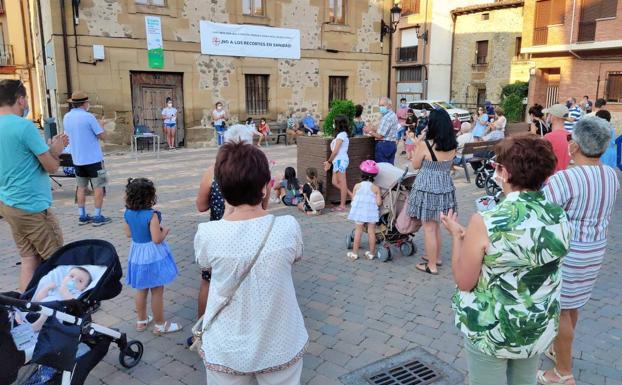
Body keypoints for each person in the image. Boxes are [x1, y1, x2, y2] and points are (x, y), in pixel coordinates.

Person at [441, 136, 571, 385]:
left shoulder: (487, 220)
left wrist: (458, 237)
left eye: (497, 166)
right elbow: (525, 251)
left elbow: (464, 280)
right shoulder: (558, 215)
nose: (495, 171)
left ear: (507, 172)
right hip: (535, 323)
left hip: (494, 328)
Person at [194, 142, 307, 384]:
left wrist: (228, 212)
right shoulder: (287, 227)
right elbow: (294, 258)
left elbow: (207, 266)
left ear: (221, 191)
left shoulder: (207, 234)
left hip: (227, 347)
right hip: (281, 341)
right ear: (265, 188)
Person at [539, 117, 619, 385]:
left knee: (561, 309)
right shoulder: (610, 174)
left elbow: (540, 213)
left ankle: (563, 372)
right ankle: (560, 350)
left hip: (568, 252)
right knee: (573, 306)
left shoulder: (566, 179)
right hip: (594, 249)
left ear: (576, 145)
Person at [0, 79, 67, 292]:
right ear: (20, 100)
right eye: (26, 99)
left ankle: (24, 311)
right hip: (33, 206)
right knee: (56, 260)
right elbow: (51, 166)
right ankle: (63, 307)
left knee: (28, 259)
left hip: (9, 203)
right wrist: (55, 149)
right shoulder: (24, 126)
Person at [123, 178, 180, 334]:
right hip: (152, 256)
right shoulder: (151, 215)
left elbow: (128, 234)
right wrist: (165, 231)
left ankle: (141, 321)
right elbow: (156, 239)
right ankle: (160, 325)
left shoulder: (128, 213)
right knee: (156, 290)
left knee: (141, 289)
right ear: (149, 197)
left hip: (137, 254)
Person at [407, 109, 458, 275]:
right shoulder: (452, 145)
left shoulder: (426, 144)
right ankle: (436, 258)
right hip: (444, 187)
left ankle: (431, 265)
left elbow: (415, 165)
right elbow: (449, 165)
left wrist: (417, 144)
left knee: (429, 227)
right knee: (436, 226)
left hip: (427, 188)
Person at [63, 90, 111, 227]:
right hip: (94, 159)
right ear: (85, 103)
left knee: (81, 187)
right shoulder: (89, 117)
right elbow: (103, 136)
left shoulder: (66, 117)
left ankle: (82, 215)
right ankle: (97, 215)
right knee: (99, 186)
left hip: (77, 159)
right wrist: (101, 125)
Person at [346, 160, 382, 261]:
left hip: (360, 213)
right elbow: (379, 203)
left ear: (362, 174)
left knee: (358, 231)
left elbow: (353, 199)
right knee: (371, 232)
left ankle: (355, 253)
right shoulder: (376, 188)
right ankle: (371, 253)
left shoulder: (357, 186)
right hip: (371, 213)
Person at [323, 115, 352, 212]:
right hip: (338, 161)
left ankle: (342, 205)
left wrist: (329, 162)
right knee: (334, 182)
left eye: (334, 122)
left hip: (340, 160)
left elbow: (335, 151)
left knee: (342, 183)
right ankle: (352, 196)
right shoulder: (340, 135)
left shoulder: (341, 135)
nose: (333, 124)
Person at [366, 97, 400, 164]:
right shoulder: (393, 115)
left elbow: (380, 136)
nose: (381, 107)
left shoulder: (386, 117)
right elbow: (383, 129)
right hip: (392, 144)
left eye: (383, 105)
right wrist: (372, 128)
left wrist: (369, 131)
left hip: (384, 145)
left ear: (389, 105)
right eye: (380, 105)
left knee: (382, 168)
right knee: (390, 168)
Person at [543, 104, 571, 173]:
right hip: (565, 176)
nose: (547, 116)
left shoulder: (548, 137)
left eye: (549, 114)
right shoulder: (571, 136)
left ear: (553, 117)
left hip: (550, 177)